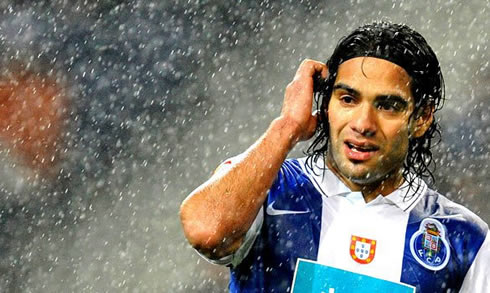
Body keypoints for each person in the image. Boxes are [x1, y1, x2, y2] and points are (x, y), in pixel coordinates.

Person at [180, 21, 489, 292]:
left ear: (420, 118)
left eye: (388, 105)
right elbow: (206, 231)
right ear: (326, 105)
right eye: (347, 99)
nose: (363, 124)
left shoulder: (464, 238)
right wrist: (287, 126)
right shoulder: (271, 187)